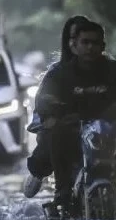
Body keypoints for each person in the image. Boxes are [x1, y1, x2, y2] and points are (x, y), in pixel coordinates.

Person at [34, 19, 116, 214]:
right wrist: (50, 114)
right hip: (71, 132)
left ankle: (113, 186)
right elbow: (44, 98)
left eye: (95, 43)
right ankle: (62, 192)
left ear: (102, 46)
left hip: (109, 136)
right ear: (74, 45)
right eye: (85, 42)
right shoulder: (59, 74)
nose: (90, 47)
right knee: (54, 139)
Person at [23, 14, 92, 198]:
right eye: (73, 38)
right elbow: (42, 102)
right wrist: (52, 112)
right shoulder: (55, 72)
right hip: (65, 128)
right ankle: (58, 189)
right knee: (52, 139)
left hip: (95, 126)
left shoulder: (108, 69)